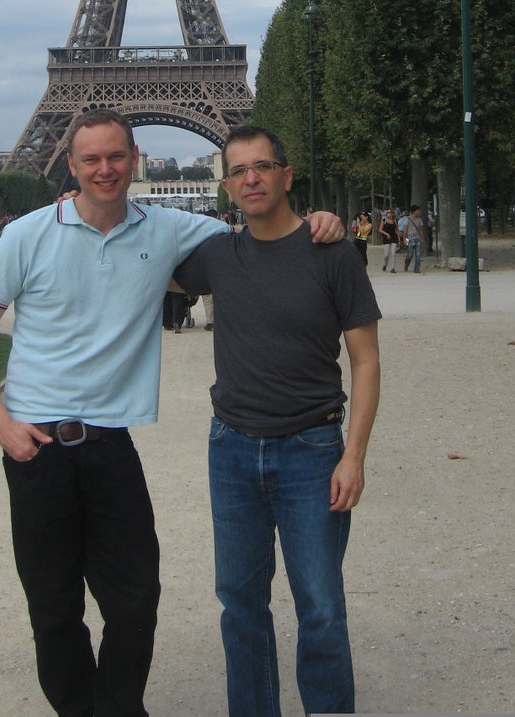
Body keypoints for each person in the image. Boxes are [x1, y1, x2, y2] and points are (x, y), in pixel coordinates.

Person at [0, 110, 343, 717]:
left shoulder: (165, 229)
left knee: (135, 600)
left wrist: (316, 219)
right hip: (37, 448)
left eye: (116, 157)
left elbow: (260, 231)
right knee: (54, 608)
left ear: (134, 160)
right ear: (72, 164)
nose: (105, 169)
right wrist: (3, 425)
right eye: (91, 159)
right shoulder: (26, 234)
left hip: (111, 444)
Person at [173, 125, 381, 717]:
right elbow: (139, 265)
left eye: (262, 166)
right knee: (239, 602)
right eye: (238, 171)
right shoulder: (217, 254)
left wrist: (354, 456)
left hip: (312, 450)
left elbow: (366, 361)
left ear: (287, 175)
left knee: (319, 603)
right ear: (228, 187)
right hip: (231, 449)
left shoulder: (332, 251)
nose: (251, 178)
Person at [400, 203, 424, 273]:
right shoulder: (407, 219)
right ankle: (406, 264)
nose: (418, 212)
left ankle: (416, 269)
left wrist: (422, 238)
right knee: (409, 254)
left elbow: (420, 230)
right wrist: (404, 239)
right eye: (417, 210)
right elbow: (405, 229)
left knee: (418, 255)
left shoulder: (419, 220)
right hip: (409, 238)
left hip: (417, 238)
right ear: (414, 211)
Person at [378, 206, 400, 273]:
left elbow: (397, 230)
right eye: (388, 213)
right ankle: (385, 264)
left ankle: (392, 268)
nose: (390, 214)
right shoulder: (384, 220)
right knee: (386, 254)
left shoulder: (395, 220)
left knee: (393, 253)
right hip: (386, 238)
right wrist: (386, 234)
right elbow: (380, 230)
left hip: (394, 237)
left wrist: (399, 240)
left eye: (391, 213)